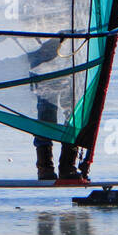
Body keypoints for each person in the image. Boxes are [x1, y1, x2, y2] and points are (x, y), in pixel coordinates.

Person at [26, 34, 83, 181]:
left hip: (71, 53)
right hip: (42, 53)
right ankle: (45, 167)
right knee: (47, 111)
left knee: (74, 111)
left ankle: (67, 166)